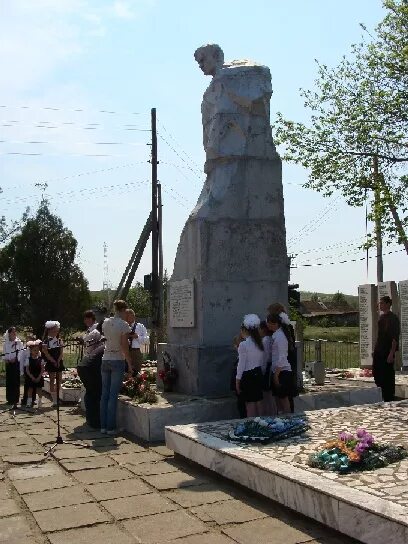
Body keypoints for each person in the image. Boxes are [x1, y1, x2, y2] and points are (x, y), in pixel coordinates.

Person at [100, 300, 132, 435]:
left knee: (105, 393)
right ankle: (111, 427)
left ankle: (103, 426)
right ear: (124, 310)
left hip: (105, 357)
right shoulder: (123, 325)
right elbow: (124, 346)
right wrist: (130, 363)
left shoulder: (106, 322)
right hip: (117, 358)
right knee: (113, 395)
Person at [268, 303, 298, 412]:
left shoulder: (282, 332)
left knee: (284, 396)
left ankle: (288, 416)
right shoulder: (284, 327)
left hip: (284, 364)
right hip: (285, 361)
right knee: (283, 396)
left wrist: (277, 373)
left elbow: (282, 353)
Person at [373, 295, 400, 402]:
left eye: (382, 303)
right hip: (379, 349)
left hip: (387, 350)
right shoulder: (381, 317)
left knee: (387, 374)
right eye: (380, 303)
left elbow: (394, 337)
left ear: (388, 304)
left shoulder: (393, 318)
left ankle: (388, 396)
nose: (380, 305)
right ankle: (381, 394)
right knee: (377, 372)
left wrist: (391, 353)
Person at [236, 314, 264, 417]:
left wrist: (237, 380)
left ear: (244, 330)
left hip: (248, 375)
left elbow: (241, 364)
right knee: (258, 401)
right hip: (258, 372)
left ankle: (251, 424)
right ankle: (261, 423)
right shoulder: (260, 343)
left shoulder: (243, 345)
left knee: (250, 403)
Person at [77, 320, 104, 429]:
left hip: (83, 366)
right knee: (96, 394)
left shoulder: (100, 339)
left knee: (90, 393)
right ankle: (95, 421)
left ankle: (90, 419)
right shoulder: (107, 344)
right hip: (89, 368)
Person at [41, 321, 64, 406]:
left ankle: (57, 397)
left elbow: (61, 352)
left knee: (59, 380)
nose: (56, 332)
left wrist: (58, 360)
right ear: (49, 330)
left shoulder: (59, 340)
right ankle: (54, 400)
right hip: (51, 362)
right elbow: (46, 353)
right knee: (52, 380)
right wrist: (53, 361)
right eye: (54, 331)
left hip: (58, 361)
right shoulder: (46, 341)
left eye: (57, 331)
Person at [259, 321, 277, 416]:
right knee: (270, 394)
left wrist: (262, 370)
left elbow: (264, 357)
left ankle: (268, 413)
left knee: (266, 394)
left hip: (267, 368)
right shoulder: (271, 338)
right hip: (270, 366)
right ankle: (272, 412)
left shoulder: (265, 340)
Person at [125, 309, 149, 375]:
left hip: (136, 352)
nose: (127, 318)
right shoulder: (123, 327)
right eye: (126, 317)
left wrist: (137, 337)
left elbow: (146, 340)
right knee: (125, 372)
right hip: (125, 352)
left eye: (129, 317)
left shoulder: (140, 326)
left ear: (133, 317)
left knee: (136, 372)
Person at [3, 327, 23, 406]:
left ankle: (15, 399)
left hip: (16, 363)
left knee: (15, 381)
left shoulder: (18, 342)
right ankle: (9, 399)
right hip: (8, 363)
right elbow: (4, 353)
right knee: (9, 381)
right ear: (9, 334)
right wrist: (7, 359)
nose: (14, 334)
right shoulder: (6, 343)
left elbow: (21, 352)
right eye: (13, 332)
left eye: (15, 332)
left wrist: (16, 359)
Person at [23, 340, 44, 409]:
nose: (36, 352)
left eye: (37, 350)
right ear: (31, 351)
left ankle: (40, 402)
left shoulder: (41, 360)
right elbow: (27, 370)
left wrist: (39, 377)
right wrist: (31, 376)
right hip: (31, 376)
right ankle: (29, 402)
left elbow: (42, 369)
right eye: (34, 350)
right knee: (30, 389)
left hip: (38, 376)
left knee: (39, 389)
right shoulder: (28, 359)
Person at [230, 334, 247, 418]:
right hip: (241, 384)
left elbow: (239, 371)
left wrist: (236, 385)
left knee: (242, 406)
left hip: (241, 385)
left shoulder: (241, 357)